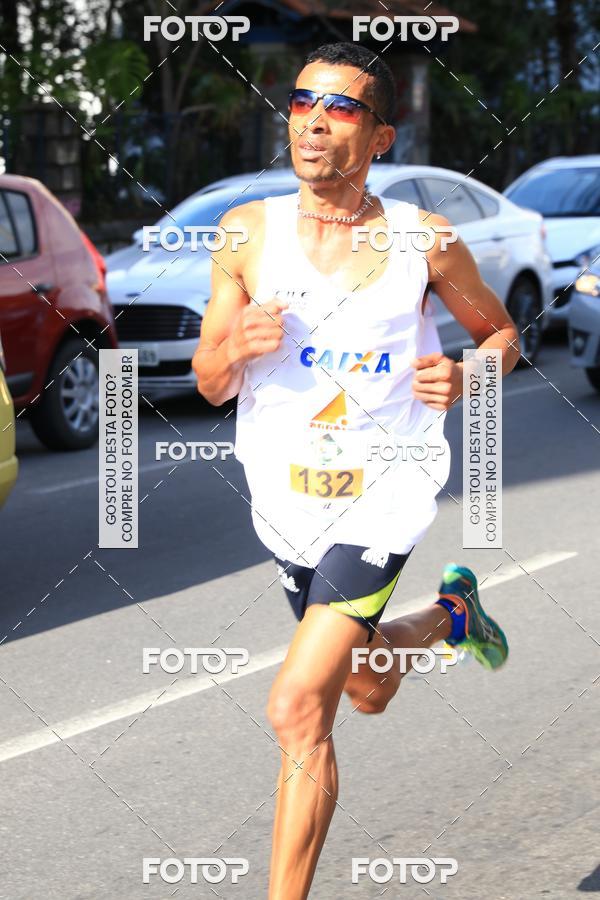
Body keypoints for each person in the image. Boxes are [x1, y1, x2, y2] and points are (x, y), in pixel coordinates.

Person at [194, 40, 519, 900]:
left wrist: (470, 373)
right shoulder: (246, 234)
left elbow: (501, 335)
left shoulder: (424, 240)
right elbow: (209, 379)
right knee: (367, 689)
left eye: (341, 107)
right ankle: (451, 616)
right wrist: (236, 347)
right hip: (286, 503)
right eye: (303, 102)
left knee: (298, 705)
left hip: (384, 494)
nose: (314, 121)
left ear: (379, 137)